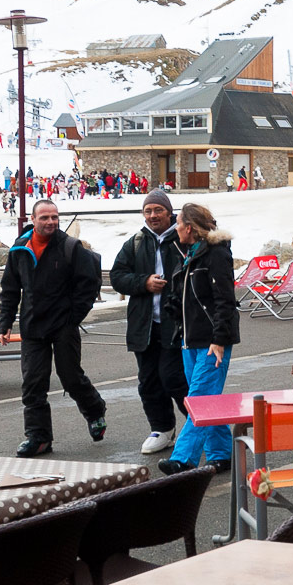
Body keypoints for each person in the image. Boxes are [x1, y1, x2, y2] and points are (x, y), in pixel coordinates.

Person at [0, 199, 107, 458]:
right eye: (45, 218)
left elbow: (89, 285)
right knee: (33, 384)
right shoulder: (19, 249)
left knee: (70, 377)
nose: (51, 222)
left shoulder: (70, 247)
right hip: (33, 326)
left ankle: (94, 410)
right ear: (33, 220)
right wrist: (5, 323)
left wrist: (73, 317)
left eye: (54, 217)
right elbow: (11, 288)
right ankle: (38, 438)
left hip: (63, 326)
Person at [157, 203, 238, 475]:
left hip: (211, 341)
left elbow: (225, 301)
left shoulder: (216, 254)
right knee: (207, 398)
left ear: (189, 228)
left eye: (178, 222)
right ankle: (221, 454)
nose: (175, 227)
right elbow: (186, 296)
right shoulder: (188, 252)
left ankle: (183, 458)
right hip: (188, 340)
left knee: (200, 399)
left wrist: (220, 339)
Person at [109, 190, 188, 456]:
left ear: (169, 212)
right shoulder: (136, 242)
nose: (153, 216)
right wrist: (144, 283)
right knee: (148, 381)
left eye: (158, 210)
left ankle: (194, 423)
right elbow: (117, 276)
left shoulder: (184, 237)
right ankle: (162, 428)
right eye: (148, 211)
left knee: (174, 377)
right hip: (145, 323)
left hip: (176, 323)